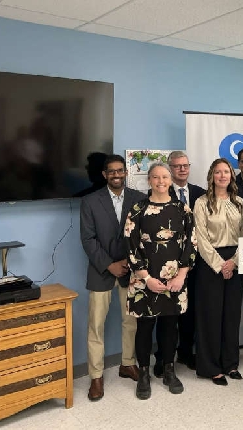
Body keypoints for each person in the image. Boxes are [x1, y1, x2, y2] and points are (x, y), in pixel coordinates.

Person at [124, 162, 196, 400]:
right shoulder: (138, 209)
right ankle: (143, 374)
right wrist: (146, 278)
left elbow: (191, 244)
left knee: (169, 327)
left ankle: (168, 370)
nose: (161, 181)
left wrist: (181, 275)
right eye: (156, 177)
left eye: (165, 177)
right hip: (144, 281)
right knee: (144, 328)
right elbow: (131, 246)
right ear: (149, 181)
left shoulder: (182, 209)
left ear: (171, 179)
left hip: (174, 281)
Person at [80, 154, 145, 401]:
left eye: (120, 171)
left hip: (130, 270)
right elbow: (88, 239)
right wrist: (110, 265)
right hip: (101, 271)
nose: (116, 175)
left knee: (131, 322)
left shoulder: (138, 199)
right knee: (96, 326)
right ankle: (96, 376)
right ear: (105, 175)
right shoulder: (90, 201)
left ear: (125, 172)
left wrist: (128, 262)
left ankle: (127, 363)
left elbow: (142, 235)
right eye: (112, 171)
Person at [194, 158, 243, 386]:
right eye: (218, 172)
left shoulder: (239, 202)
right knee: (211, 316)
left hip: (235, 261)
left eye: (226, 172)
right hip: (210, 263)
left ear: (231, 176)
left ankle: (230, 364)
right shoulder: (201, 203)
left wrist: (233, 262)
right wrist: (219, 264)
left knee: (232, 315)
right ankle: (211, 367)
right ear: (212, 176)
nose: (223, 175)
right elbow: (200, 238)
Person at [152, 150, 205, 377]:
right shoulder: (161, 192)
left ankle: (185, 352)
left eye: (185, 165)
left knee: (189, 312)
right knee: (165, 314)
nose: (182, 169)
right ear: (169, 169)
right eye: (176, 166)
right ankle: (163, 357)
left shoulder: (200, 193)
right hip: (167, 266)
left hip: (194, 263)